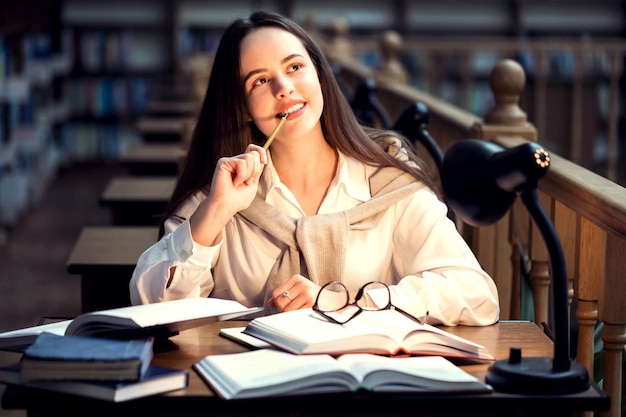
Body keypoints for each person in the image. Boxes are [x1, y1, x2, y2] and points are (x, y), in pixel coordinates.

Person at [129, 11, 499, 327]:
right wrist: (215, 213)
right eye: (259, 80)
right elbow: (153, 309)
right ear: (241, 106)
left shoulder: (387, 181)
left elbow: (477, 295)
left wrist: (348, 301)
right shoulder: (221, 190)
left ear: (320, 76)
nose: (284, 87)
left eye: (294, 67)